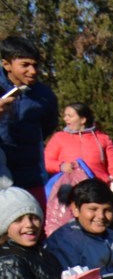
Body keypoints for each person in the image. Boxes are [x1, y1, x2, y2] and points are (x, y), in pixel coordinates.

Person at [45, 178, 113, 279]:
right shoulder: (65, 242)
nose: (101, 216)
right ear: (75, 209)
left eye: (107, 210)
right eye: (93, 209)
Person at [0, 36, 58, 205]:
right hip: (2, 178)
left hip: (31, 179)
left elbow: (48, 127)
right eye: (25, 65)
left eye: (35, 65)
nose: (32, 71)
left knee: (33, 227)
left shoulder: (45, 96)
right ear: (6, 64)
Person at [43, 102, 113, 196]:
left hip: (98, 192)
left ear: (83, 120)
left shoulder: (103, 139)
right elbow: (46, 161)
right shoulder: (59, 138)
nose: (65, 119)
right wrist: (61, 166)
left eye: (70, 116)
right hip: (69, 192)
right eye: (65, 115)